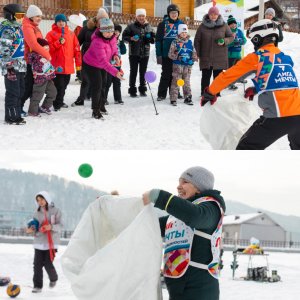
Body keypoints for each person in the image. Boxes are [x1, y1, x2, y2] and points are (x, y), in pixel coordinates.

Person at [200, 19, 300, 150]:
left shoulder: (257, 57)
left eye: (253, 40)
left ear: (258, 39)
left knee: (245, 149)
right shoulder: (286, 58)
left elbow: (228, 76)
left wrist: (210, 92)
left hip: (278, 117)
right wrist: (257, 88)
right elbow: (280, 81)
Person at [142, 166, 226, 300]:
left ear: (199, 187)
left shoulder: (211, 208)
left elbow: (194, 216)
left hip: (200, 289)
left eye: (185, 182)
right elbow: (148, 227)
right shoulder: (176, 217)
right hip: (177, 287)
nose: (178, 186)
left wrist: (158, 196)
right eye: (179, 182)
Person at [83, 18, 124, 119]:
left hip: (101, 64)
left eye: (111, 31)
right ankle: (95, 110)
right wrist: (116, 72)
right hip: (91, 64)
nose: (109, 34)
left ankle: (101, 105)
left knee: (104, 84)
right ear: (101, 31)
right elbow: (103, 62)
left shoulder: (113, 38)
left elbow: (114, 49)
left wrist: (115, 56)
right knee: (97, 86)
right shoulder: (98, 42)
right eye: (106, 31)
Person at [71, 8, 109, 107]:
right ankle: (81, 99)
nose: (103, 21)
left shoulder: (107, 28)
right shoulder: (87, 27)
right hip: (87, 58)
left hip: (101, 59)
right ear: (97, 19)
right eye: (101, 19)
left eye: (105, 19)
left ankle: (101, 101)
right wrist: (73, 53)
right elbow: (78, 42)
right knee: (86, 80)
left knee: (102, 81)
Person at [26, 191, 62, 293]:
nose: (40, 202)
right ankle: (37, 286)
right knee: (37, 265)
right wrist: (30, 230)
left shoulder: (56, 211)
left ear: (47, 198)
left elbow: (61, 226)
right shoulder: (36, 213)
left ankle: (53, 278)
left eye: (41, 199)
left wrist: (51, 226)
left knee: (47, 263)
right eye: (38, 200)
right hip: (39, 242)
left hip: (51, 242)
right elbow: (34, 227)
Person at [194, 6, 233, 95]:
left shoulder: (224, 25)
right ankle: (204, 93)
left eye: (215, 14)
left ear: (218, 15)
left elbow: (231, 37)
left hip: (219, 57)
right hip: (206, 56)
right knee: (205, 77)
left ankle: (216, 93)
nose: (213, 16)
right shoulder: (202, 26)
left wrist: (224, 41)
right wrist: (198, 53)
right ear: (208, 15)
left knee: (217, 77)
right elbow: (197, 40)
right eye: (211, 14)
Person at [46, 14, 81, 111]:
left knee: (64, 85)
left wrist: (78, 63)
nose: (61, 23)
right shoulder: (50, 34)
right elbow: (47, 49)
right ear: (56, 22)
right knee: (59, 86)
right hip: (57, 65)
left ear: (66, 22)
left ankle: (60, 101)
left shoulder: (71, 34)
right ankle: (57, 104)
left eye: (63, 21)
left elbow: (76, 49)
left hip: (68, 65)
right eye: (59, 21)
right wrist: (58, 42)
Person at [21, 4, 50, 116]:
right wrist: (47, 55)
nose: (39, 18)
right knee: (28, 86)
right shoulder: (27, 27)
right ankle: (19, 106)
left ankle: (35, 107)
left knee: (36, 86)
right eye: (37, 16)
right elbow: (33, 44)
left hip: (37, 61)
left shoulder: (35, 27)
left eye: (41, 16)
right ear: (31, 16)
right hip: (29, 61)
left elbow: (40, 42)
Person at [0, 3, 27, 125]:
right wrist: (9, 66)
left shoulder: (18, 28)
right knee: (13, 91)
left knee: (21, 91)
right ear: (10, 16)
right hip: (11, 66)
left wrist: (24, 66)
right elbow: (4, 50)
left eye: (23, 15)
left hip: (20, 66)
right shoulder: (7, 30)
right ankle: (11, 116)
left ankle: (16, 113)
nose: (22, 18)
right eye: (19, 15)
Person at [122, 8, 155, 97]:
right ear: (136, 17)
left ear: (145, 16)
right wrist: (131, 38)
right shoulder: (131, 26)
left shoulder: (149, 26)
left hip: (145, 53)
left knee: (143, 72)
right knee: (133, 71)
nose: (141, 17)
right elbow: (124, 37)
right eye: (139, 16)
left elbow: (154, 39)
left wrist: (150, 38)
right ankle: (132, 90)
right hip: (134, 53)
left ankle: (142, 89)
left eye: (143, 16)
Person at [156, 4, 184, 101]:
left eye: (175, 13)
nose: (174, 14)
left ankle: (176, 92)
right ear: (168, 14)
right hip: (166, 54)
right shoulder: (163, 24)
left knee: (177, 75)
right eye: (172, 13)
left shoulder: (181, 24)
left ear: (178, 13)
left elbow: (185, 38)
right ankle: (161, 94)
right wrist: (158, 54)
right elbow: (158, 40)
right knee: (166, 74)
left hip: (178, 55)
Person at [168, 24, 197, 106]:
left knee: (186, 82)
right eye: (182, 32)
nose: (184, 34)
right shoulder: (175, 42)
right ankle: (173, 98)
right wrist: (179, 58)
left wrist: (192, 60)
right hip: (178, 66)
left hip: (187, 67)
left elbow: (194, 53)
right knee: (177, 82)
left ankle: (188, 97)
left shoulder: (190, 42)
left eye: (185, 32)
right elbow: (170, 54)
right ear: (179, 33)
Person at [27, 38, 57, 116]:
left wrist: (54, 71)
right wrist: (41, 61)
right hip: (40, 79)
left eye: (48, 48)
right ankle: (32, 111)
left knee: (53, 92)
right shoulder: (35, 56)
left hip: (48, 78)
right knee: (38, 95)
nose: (47, 50)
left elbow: (48, 67)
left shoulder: (45, 55)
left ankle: (45, 107)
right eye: (45, 48)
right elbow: (35, 67)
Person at [105, 24, 126, 104]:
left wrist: (122, 44)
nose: (116, 33)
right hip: (109, 65)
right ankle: (104, 98)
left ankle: (118, 98)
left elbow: (124, 52)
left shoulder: (119, 41)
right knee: (107, 82)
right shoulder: (108, 40)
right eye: (115, 31)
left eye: (118, 31)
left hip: (117, 65)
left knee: (117, 82)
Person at [226, 15, 247, 90]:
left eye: (234, 23)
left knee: (240, 68)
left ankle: (240, 78)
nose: (233, 25)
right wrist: (233, 43)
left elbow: (245, 40)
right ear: (228, 25)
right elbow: (226, 43)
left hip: (238, 54)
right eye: (231, 24)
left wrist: (240, 42)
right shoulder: (227, 32)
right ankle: (230, 84)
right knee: (230, 70)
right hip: (230, 55)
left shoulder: (239, 31)